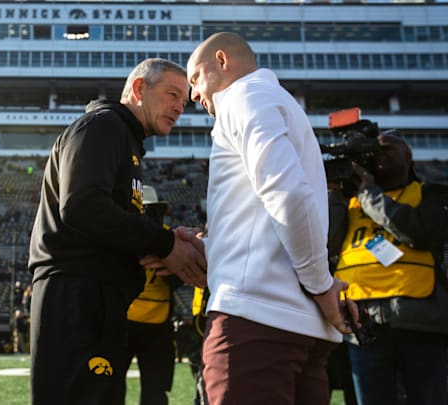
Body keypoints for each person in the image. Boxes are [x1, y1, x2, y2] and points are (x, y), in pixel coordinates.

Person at [185, 32, 357, 404]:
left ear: (221, 61)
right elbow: (273, 212)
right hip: (295, 324)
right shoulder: (276, 103)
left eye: (195, 79)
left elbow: (288, 195)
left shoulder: (244, 96)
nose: (193, 96)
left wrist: (320, 284)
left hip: (257, 323)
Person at [28, 57, 206, 404]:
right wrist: (164, 242)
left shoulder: (125, 139)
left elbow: (112, 225)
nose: (179, 107)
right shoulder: (103, 126)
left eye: (183, 101)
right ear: (139, 88)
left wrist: (168, 242)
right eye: (172, 94)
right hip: (76, 295)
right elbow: (82, 206)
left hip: (99, 295)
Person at [329, 132, 448, 405]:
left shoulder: (430, 193)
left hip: (419, 321)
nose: (378, 153)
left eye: (387, 148)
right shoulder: (351, 203)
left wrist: (370, 194)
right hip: (362, 324)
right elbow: (328, 243)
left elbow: (419, 231)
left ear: (408, 156)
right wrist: (335, 193)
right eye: (373, 151)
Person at [116, 185, 183, 405]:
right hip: (129, 321)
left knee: (153, 392)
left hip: (151, 323)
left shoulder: (167, 238)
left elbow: (177, 279)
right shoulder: (164, 237)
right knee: (111, 387)